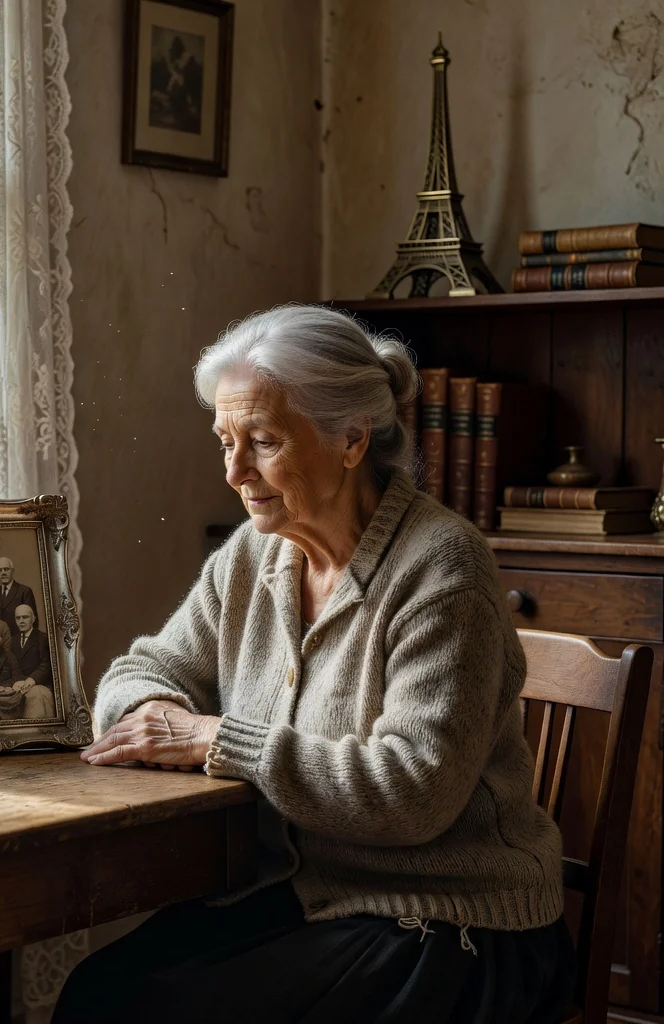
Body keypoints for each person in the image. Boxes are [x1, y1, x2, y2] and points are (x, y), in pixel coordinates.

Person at [55, 305, 575, 1024]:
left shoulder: (443, 568)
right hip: (304, 898)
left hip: (452, 922)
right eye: (225, 443)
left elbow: (413, 792)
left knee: (158, 1011)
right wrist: (156, 713)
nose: (235, 471)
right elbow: (140, 672)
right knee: (97, 996)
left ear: (352, 439)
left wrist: (215, 739)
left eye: (263, 442)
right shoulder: (253, 555)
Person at [11, 605, 55, 719]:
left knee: (39, 696)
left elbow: (46, 664)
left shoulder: (43, 638)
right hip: (19, 684)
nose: (21, 621)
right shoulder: (13, 640)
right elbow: (12, 665)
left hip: (39, 683)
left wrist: (32, 679)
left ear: (33, 619)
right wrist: (18, 681)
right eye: (18, 618)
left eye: (25, 617)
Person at [0, 557, 38, 628]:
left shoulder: (24, 591)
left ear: (12, 571)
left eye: (6, 569)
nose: (3, 573)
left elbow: (33, 620)